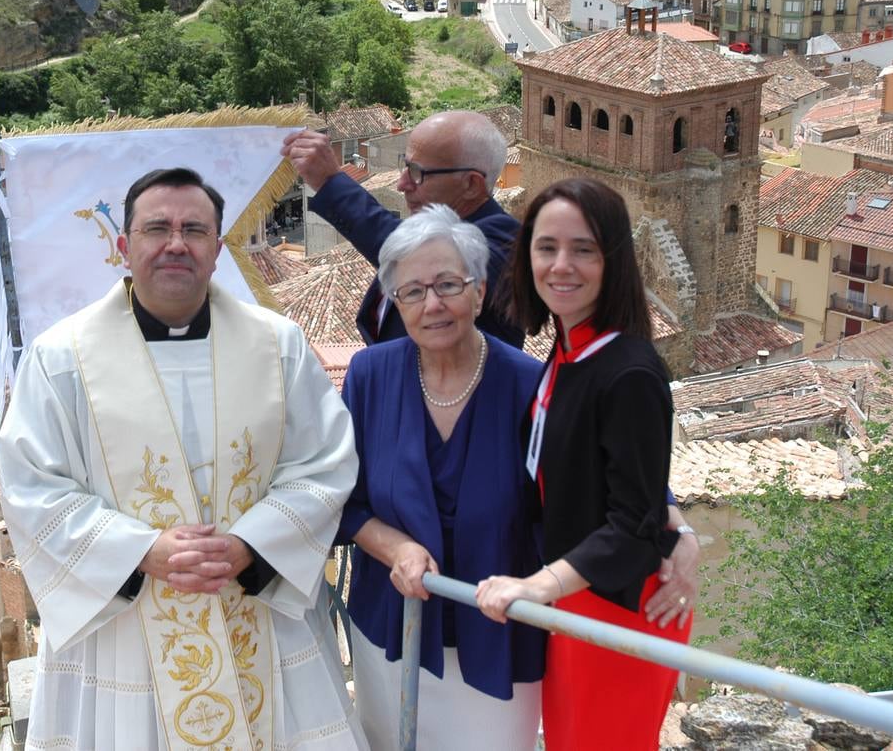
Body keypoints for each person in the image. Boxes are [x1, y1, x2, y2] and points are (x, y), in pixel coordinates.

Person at [0, 167, 367, 750]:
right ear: (124, 246)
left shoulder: (277, 344)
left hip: (251, 602)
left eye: (194, 230)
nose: (175, 243)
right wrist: (142, 550)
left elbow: (323, 463)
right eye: (156, 229)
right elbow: (30, 487)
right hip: (125, 628)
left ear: (217, 249)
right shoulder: (60, 358)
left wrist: (251, 544)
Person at [284, 114, 701, 625]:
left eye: (416, 172)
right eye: (411, 289)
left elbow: (594, 411)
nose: (401, 182)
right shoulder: (378, 368)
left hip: (480, 509)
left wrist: (670, 517)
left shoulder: (499, 246)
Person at [476, 178, 694, 750]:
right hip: (578, 597)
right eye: (546, 247)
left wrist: (535, 586)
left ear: (613, 260)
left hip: (620, 605)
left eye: (584, 249)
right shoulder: (570, 347)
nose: (561, 265)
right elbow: (613, 474)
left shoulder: (629, 372)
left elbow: (631, 523)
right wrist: (681, 524)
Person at [338, 205, 547, 750]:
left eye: (448, 284)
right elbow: (342, 498)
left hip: (499, 637)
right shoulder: (369, 376)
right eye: (412, 291)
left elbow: (590, 488)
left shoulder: (532, 388)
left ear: (479, 292)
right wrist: (395, 546)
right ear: (395, 303)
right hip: (389, 629)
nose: (432, 304)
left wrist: (673, 523)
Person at [281, 111, 524, 347]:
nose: (402, 184)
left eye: (418, 173)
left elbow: (424, 257)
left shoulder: (504, 245)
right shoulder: (430, 229)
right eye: (405, 167)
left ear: (471, 185)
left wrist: (331, 183)